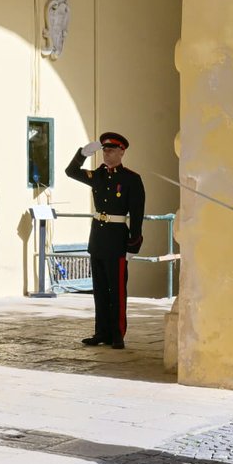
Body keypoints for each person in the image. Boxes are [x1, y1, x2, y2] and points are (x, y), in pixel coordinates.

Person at [65, 132, 145, 349]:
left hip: (117, 240)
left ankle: (117, 334)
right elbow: (70, 171)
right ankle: (101, 331)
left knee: (117, 290)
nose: (107, 153)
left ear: (122, 152)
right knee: (100, 290)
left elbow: (137, 215)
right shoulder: (98, 176)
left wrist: (133, 243)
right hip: (98, 239)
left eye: (111, 150)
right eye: (104, 150)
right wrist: (82, 154)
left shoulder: (131, 179)